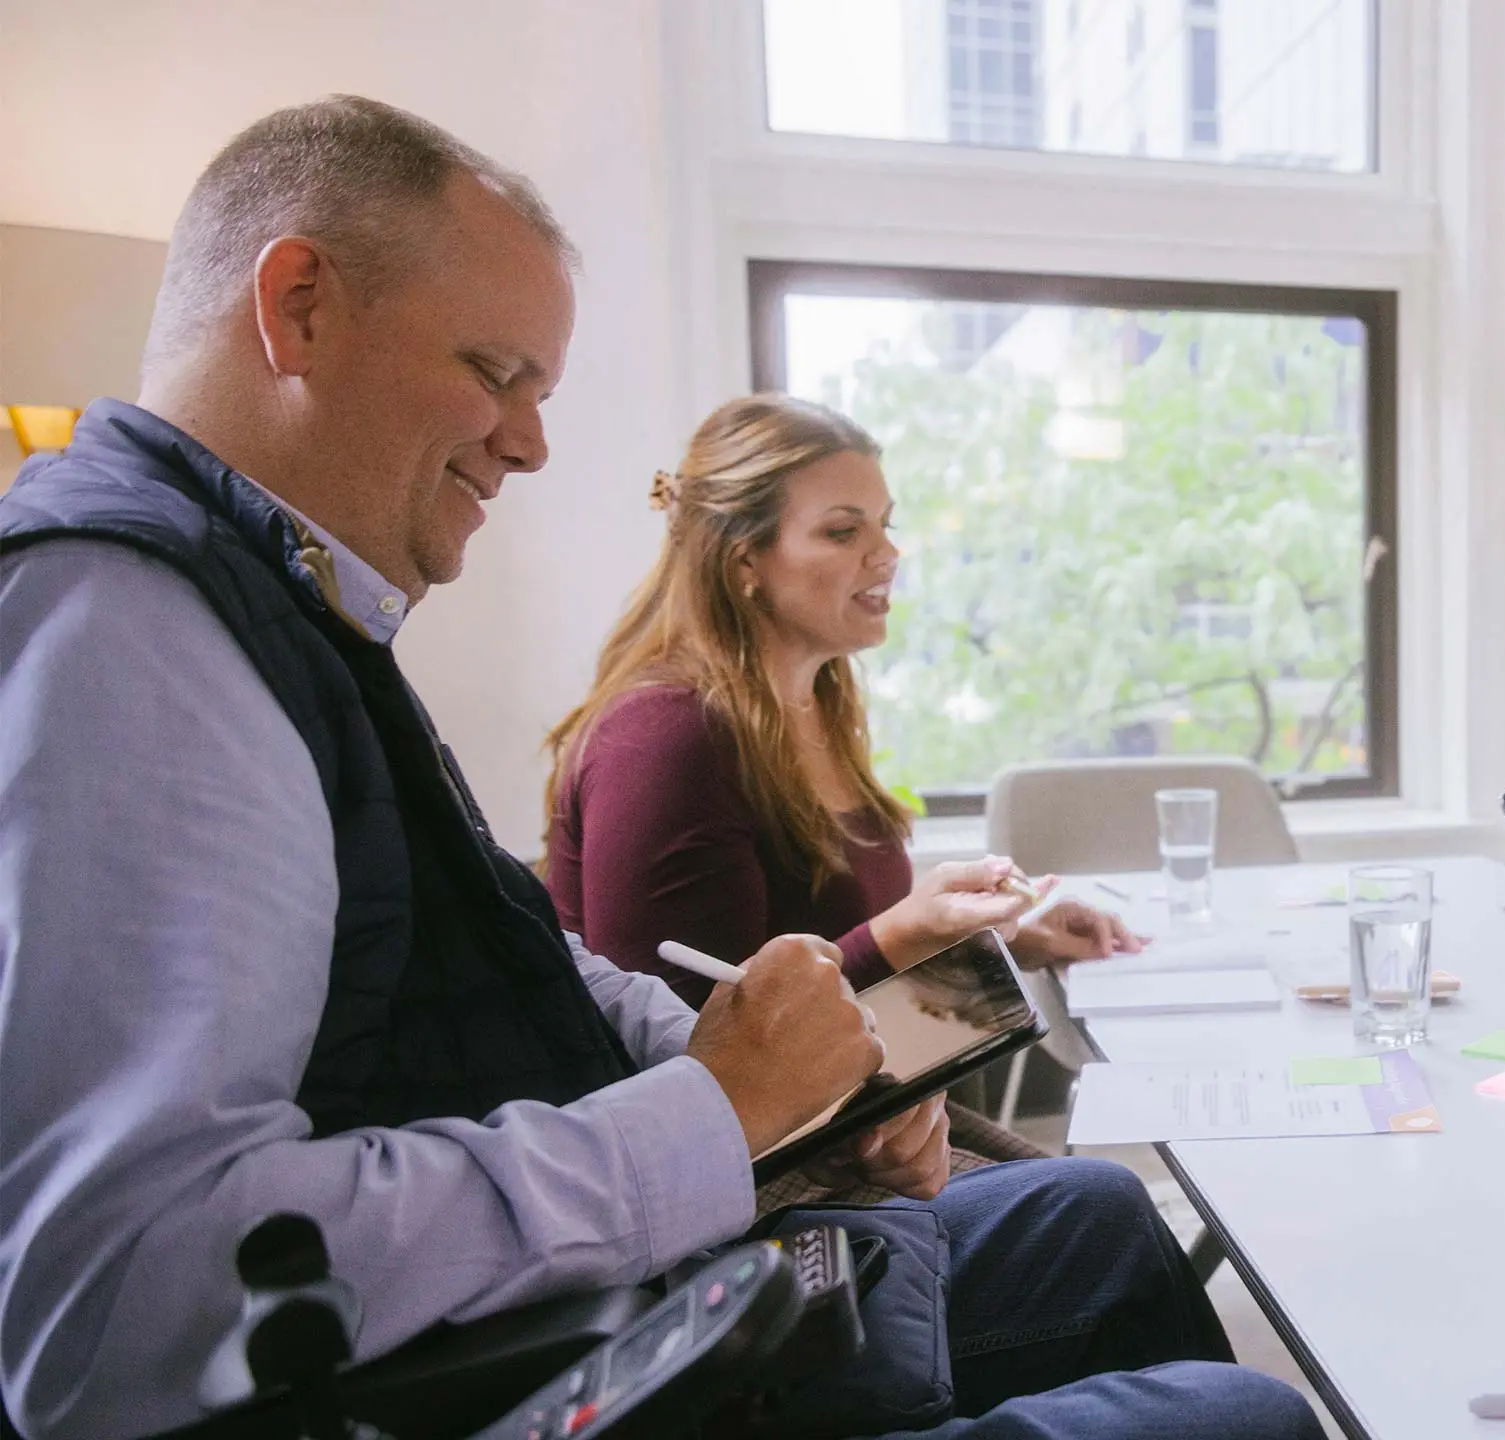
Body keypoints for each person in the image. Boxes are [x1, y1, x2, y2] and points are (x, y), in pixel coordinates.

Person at [0, 96, 1319, 1440]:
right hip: (500, 1383)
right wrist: (717, 1116)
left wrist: (801, 1093)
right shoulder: (129, 626)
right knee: (1236, 1413)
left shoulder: (300, 614)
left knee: (1093, 1220)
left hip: (577, 1309)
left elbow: (542, 971)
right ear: (298, 306)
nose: (531, 442)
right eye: (493, 370)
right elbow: (116, 1305)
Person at [541, 394, 1143, 1015]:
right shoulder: (666, 739)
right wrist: (907, 930)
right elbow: (689, 1044)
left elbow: (842, 963)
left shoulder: (817, 701)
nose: (887, 554)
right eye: (843, 531)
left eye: (887, 524)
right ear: (744, 554)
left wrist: (1007, 944)